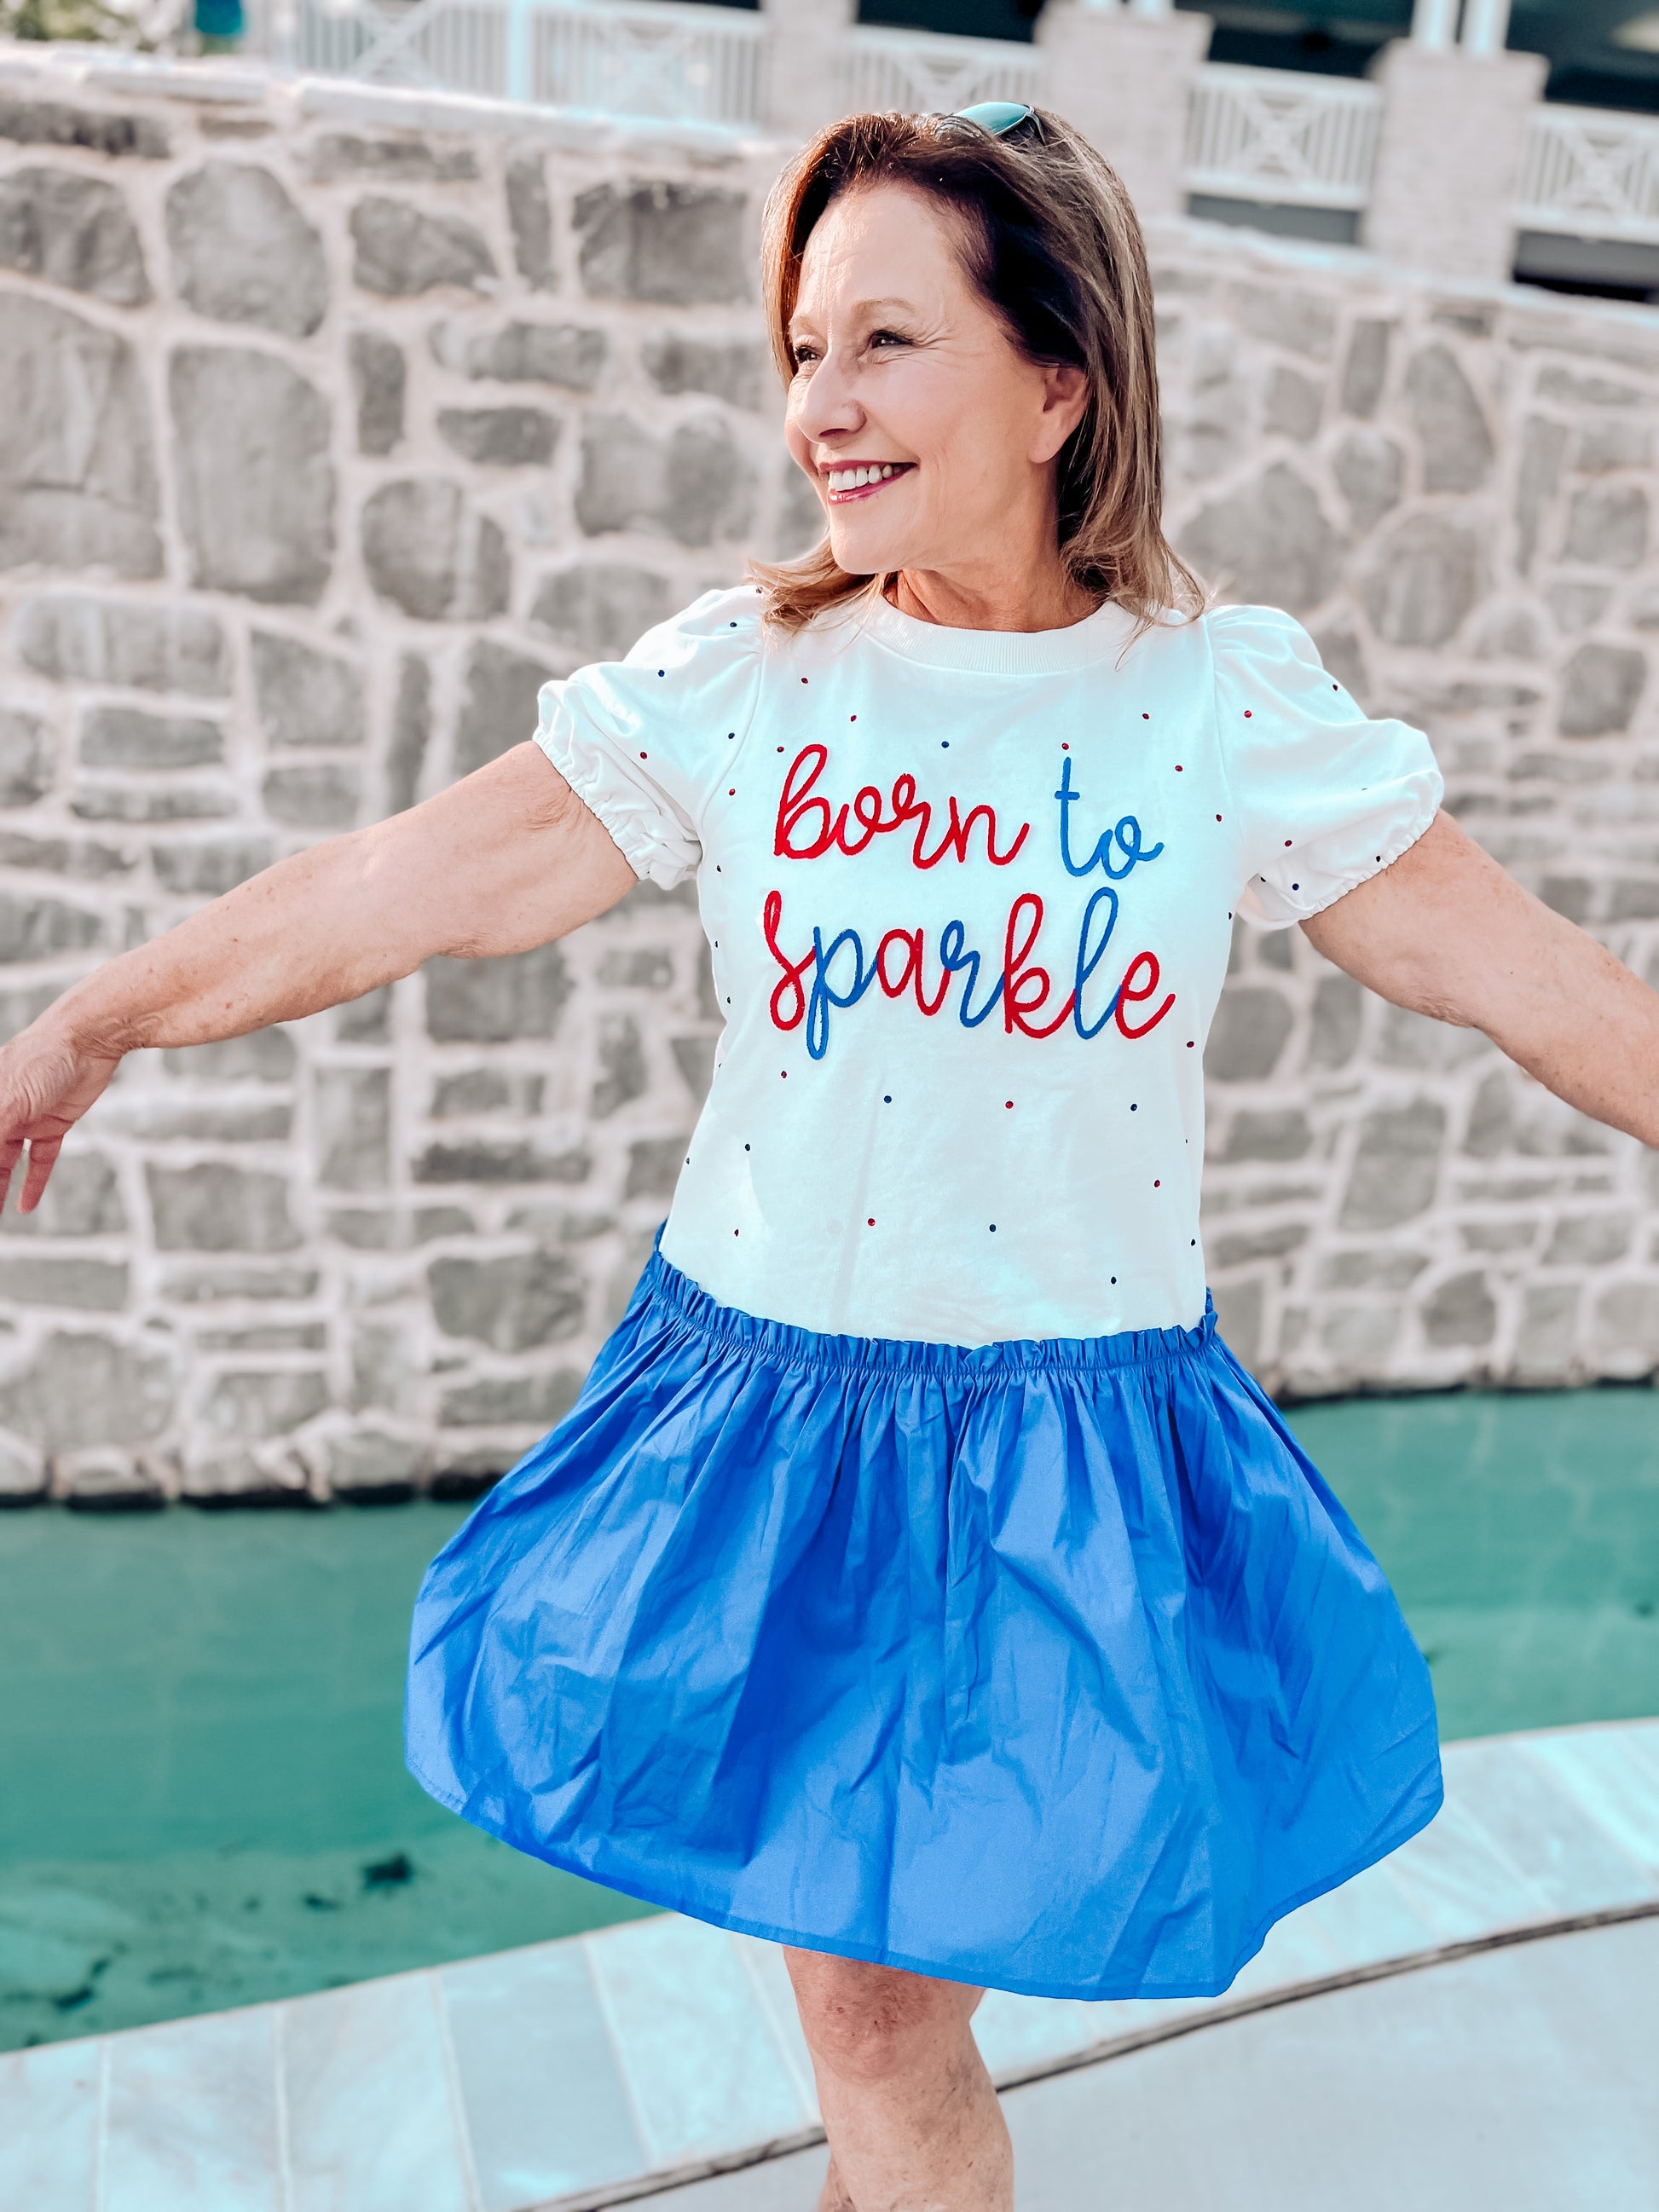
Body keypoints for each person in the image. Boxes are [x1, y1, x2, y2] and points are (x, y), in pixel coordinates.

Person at [3, 101, 1656, 2212]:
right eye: (802, 350)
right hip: (770, 1410)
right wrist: (96, 1012)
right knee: (870, 2005)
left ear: (1057, 381)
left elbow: (1527, 977)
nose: (821, 406)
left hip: (1061, 1437)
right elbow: (408, 878)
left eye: (884, 343)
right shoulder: (750, 680)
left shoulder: (1209, 703)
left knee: (882, 2012)